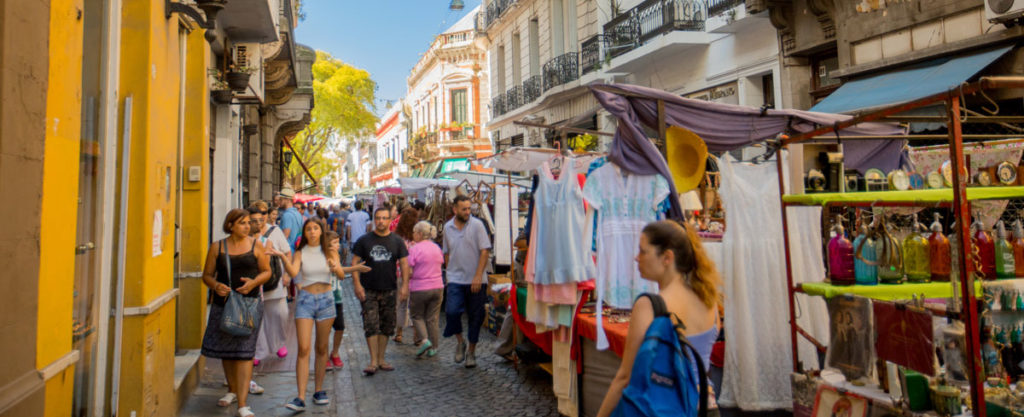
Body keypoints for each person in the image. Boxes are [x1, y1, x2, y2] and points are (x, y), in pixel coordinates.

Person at [597, 220, 722, 417]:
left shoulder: (650, 306)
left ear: (667, 257)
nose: (636, 258)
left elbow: (625, 377)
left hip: (668, 407)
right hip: (707, 406)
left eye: (643, 251)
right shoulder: (709, 300)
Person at [266, 218, 370, 411]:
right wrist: (281, 256)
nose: (312, 232)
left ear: (321, 231)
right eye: (308, 229)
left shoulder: (330, 251)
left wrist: (334, 266)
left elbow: (339, 275)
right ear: (304, 233)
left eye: (315, 228)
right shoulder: (300, 252)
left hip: (326, 300)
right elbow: (294, 271)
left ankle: (319, 390)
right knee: (303, 349)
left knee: (321, 348)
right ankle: (299, 397)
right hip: (305, 300)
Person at [200, 209, 272, 417]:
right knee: (227, 351)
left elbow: (266, 271)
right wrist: (215, 286)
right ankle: (231, 390)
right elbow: (207, 275)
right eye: (242, 223)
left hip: (249, 305)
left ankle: (242, 403)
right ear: (230, 225)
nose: (247, 226)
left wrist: (254, 283)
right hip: (223, 305)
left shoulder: (255, 245)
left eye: (249, 223)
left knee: (244, 352)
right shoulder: (217, 247)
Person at [351, 206, 410, 375]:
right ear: (374, 219)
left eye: (384, 218)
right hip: (368, 289)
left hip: (389, 288)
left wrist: (404, 285)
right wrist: (357, 284)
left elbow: (404, 264)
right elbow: (355, 263)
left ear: (390, 220)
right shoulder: (364, 240)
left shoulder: (397, 241)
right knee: (370, 324)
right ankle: (373, 361)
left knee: (386, 326)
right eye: (378, 218)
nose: (381, 221)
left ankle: (382, 358)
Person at [442, 195, 491, 368]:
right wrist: (448, 274)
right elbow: (446, 252)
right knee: (452, 312)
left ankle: (471, 351)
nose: (468, 212)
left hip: (476, 279)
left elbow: (485, 251)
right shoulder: (447, 227)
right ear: (455, 209)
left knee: (476, 317)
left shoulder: (477, 225)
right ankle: (460, 341)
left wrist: (478, 276)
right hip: (455, 278)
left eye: (469, 208)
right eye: (464, 209)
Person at [250, 202, 291, 367]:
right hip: (256, 284)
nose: (262, 215)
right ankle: (259, 351)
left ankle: (279, 343)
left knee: (280, 314)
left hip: (275, 281)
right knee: (257, 320)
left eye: (264, 212)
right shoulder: (247, 234)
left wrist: (287, 273)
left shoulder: (275, 231)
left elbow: (287, 251)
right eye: (258, 213)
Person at [406, 221, 444, 357]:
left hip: (420, 287)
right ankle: (434, 348)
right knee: (432, 318)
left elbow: (409, 268)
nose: (413, 234)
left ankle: (425, 340)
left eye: (415, 232)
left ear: (420, 234)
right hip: (438, 286)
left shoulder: (415, 248)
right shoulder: (436, 247)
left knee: (416, 316)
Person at [325, 231, 347, 369]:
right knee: (325, 330)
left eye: (338, 242)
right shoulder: (321, 257)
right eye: (334, 243)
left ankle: (335, 353)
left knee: (340, 327)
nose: (337, 245)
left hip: (337, 296)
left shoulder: (336, 256)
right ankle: (325, 355)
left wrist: (336, 264)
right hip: (325, 297)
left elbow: (341, 276)